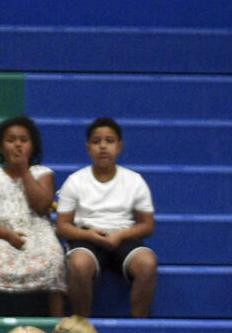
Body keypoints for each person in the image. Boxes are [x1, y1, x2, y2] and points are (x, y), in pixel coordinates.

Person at [56, 117, 157, 318]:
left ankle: (138, 326)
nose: (103, 146)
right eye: (96, 141)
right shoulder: (75, 181)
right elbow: (62, 227)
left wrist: (120, 236)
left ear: (119, 147)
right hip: (87, 237)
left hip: (124, 237)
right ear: (88, 148)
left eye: (109, 141)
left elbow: (147, 226)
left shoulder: (134, 180)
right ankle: (82, 327)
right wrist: (91, 236)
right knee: (79, 264)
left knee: (147, 263)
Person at [0, 116, 65, 318]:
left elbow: (41, 205)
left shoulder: (43, 173)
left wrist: (24, 171)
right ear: (1, 146)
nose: (17, 145)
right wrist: (8, 235)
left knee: (54, 257)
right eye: (11, 140)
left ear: (33, 145)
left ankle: (58, 324)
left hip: (38, 229)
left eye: (23, 140)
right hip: (1, 232)